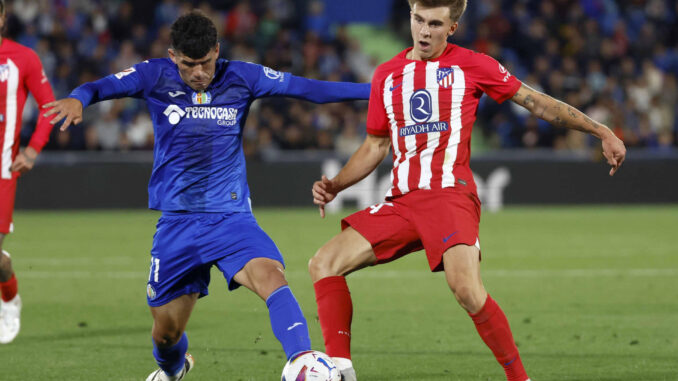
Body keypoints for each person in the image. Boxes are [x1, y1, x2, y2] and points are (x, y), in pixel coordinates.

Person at [308, 1, 627, 381]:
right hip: (402, 204)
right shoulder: (387, 75)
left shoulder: (474, 66)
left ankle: (520, 379)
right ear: (410, 17)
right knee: (323, 263)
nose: (425, 31)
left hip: (449, 196)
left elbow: (537, 103)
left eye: (435, 24)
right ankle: (340, 371)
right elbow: (376, 145)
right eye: (418, 20)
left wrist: (600, 130)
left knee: (465, 290)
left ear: (453, 27)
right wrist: (335, 185)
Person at [43, 11, 369, 381]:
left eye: (205, 63)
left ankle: (303, 359)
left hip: (230, 217)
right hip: (177, 224)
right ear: (172, 56)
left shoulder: (243, 76)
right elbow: (98, 87)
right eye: (188, 65)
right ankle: (174, 367)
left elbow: (310, 89)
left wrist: (377, 90)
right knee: (166, 334)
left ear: (217, 50)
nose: (198, 73)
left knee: (271, 277)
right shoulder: (153, 75)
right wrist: (77, 98)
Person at [0, 0, 56, 344]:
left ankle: (9, 300)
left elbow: (49, 106)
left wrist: (33, 148)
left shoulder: (23, 57)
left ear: (3, 17)